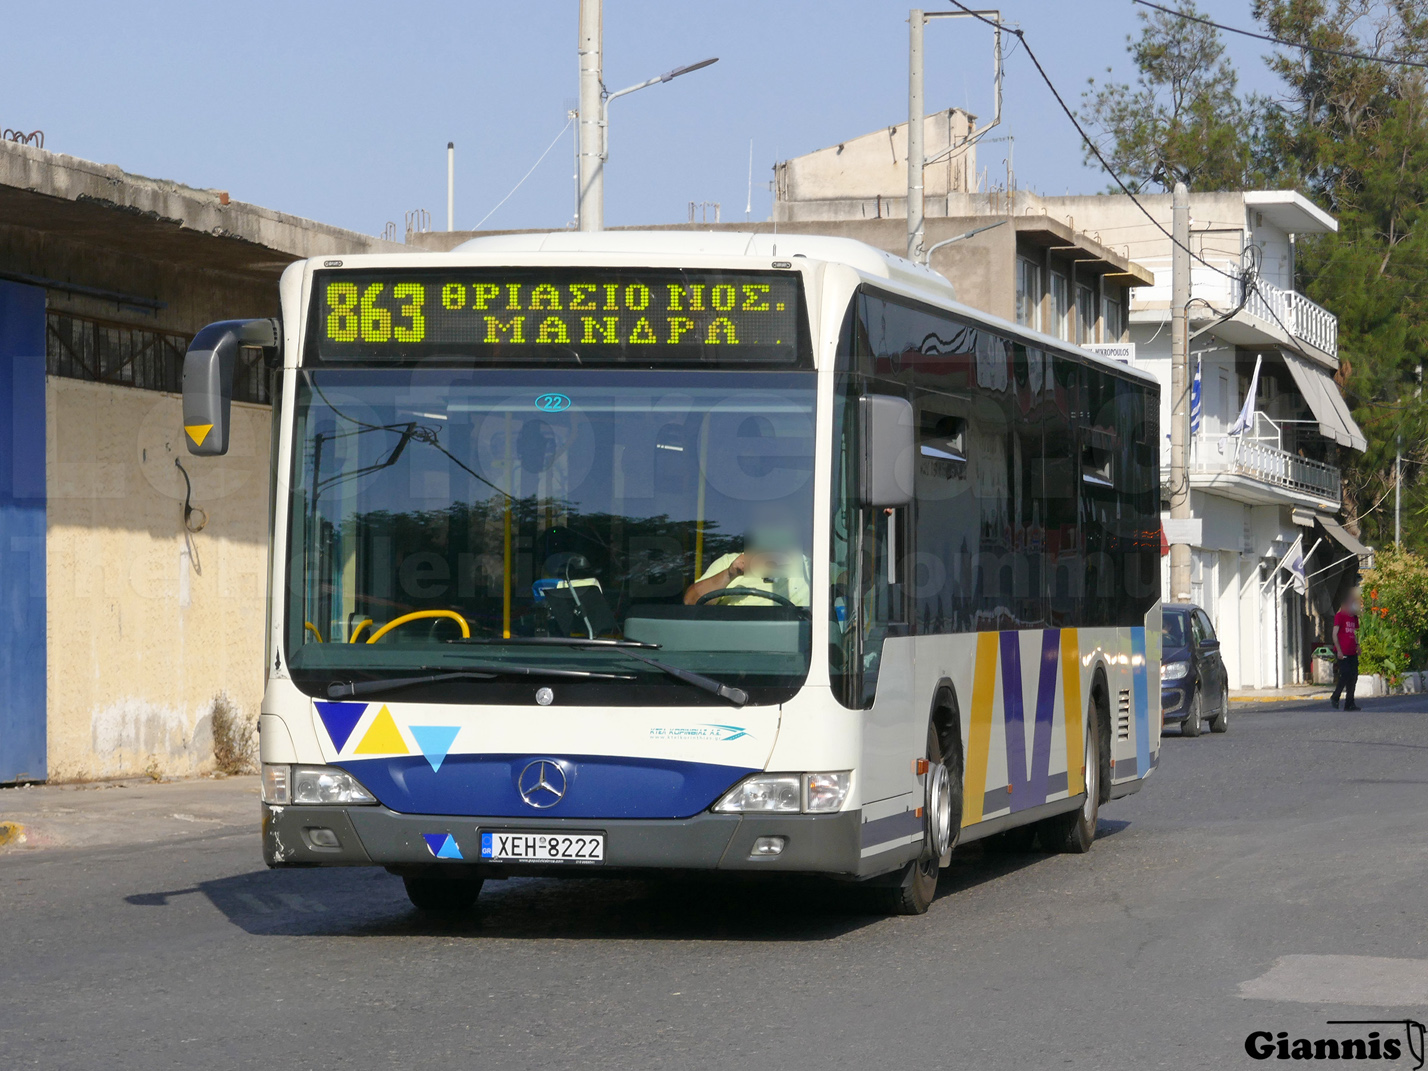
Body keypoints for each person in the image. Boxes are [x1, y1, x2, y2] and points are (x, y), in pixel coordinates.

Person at [683, 515, 810, 608]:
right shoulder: (729, 561)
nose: (771, 529)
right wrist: (730, 574)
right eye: (763, 523)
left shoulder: (810, 566)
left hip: (790, 639)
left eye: (777, 523)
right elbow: (691, 602)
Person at [1330, 590, 1361, 711]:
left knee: (1353, 676)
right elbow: (1334, 634)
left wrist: (1357, 645)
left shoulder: (1354, 618)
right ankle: (1335, 696)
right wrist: (1339, 650)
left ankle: (1350, 703)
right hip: (1342, 651)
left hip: (1352, 651)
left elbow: (1354, 633)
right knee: (1346, 673)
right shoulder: (1340, 616)